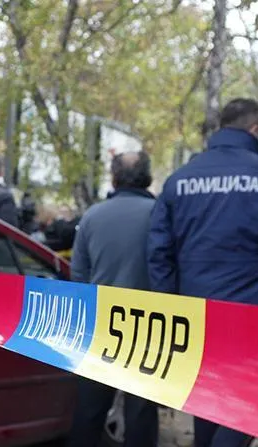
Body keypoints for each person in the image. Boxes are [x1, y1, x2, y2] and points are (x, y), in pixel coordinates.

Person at [148, 98, 258, 447]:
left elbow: (158, 254)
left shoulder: (180, 180)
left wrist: (169, 308)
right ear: (255, 129)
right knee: (246, 403)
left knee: (208, 398)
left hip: (195, 314)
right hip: (252, 315)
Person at [67, 151, 159, 447]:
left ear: (114, 178)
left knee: (89, 412)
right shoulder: (160, 215)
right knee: (141, 415)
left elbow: (78, 276)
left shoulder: (92, 216)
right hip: (150, 327)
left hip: (101, 326)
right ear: (148, 177)